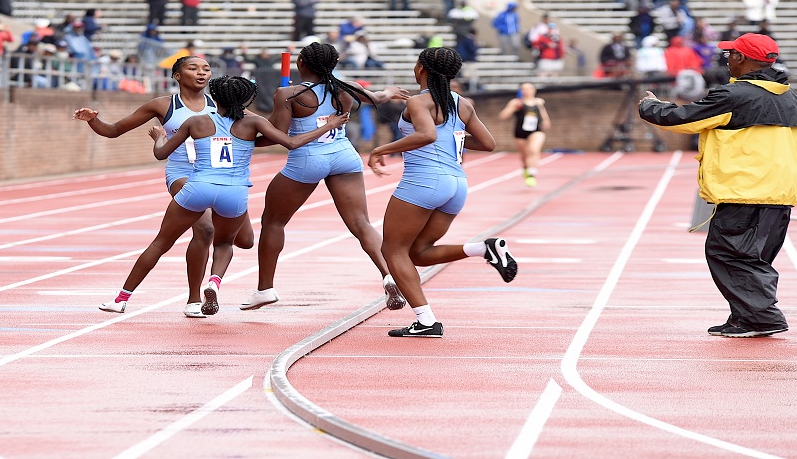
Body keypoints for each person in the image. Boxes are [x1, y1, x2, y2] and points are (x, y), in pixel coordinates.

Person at [95, 73, 348, 316]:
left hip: (197, 187)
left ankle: (121, 299)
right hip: (234, 194)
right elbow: (291, 142)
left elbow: (161, 154)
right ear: (246, 99)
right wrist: (331, 124)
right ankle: (214, 283)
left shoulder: (197, 121)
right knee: (225, 243)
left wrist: (159, 138)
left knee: (160, 243)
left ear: (215, 98)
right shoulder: (254, 122)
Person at [638, 33, 797, 338]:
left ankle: (763, 316)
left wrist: (650, 107)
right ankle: (745, 316)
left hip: (745, 192)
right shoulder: (794, 98)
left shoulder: (734, 96)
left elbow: (682, 119)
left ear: (742, 59)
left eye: (730, 54)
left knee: (728, 254)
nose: (727, 59)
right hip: (781, 193)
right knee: (751, 258)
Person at [75, 57, 259, 317]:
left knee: (246, 240)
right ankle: (194, 299)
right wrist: (93, 120)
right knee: (205, 229)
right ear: (176, 75)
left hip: (221, 177)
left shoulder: (223, 104)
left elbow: (263, 128)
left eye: (206, 69)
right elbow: (115, 130)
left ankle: (204, 288)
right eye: (193, 68)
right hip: (184, 174)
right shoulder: (163, 105)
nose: (201, 73)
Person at [240, 42, 410, 311]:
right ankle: (390, 275)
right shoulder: (344, 87)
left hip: (307, 159)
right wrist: (389, 91)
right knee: (362, 223)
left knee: (273, 221)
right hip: (344, 155)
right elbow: (377, 98)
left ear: (301, 64)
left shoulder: (287, 93)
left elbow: (279, 136)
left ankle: (265, 289)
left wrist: (244, 138)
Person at [367, 47, 518, 338]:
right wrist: (451, 139)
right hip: (456, 185)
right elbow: (487, 143)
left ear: (421, 68)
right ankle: (482, 249)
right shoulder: (463, 103)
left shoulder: (419, 104)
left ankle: (426, 321)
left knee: (392, 250)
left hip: (423, 182)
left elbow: (427, 135)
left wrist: (380, 149)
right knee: (419, 254)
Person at [499, 82, 551, 187]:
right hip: (520, 132)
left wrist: (546, 121)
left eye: (529, 88)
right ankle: (527, 169)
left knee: (533, 150)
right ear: (520, 91)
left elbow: (543, 115)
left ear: (534, 90)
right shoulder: (516, 102)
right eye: (524, 89)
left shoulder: (538, 102)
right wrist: (513, 107)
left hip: (536, 130)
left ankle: (532, 174)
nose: (527, 91)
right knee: (524, 156)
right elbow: (503, 116)